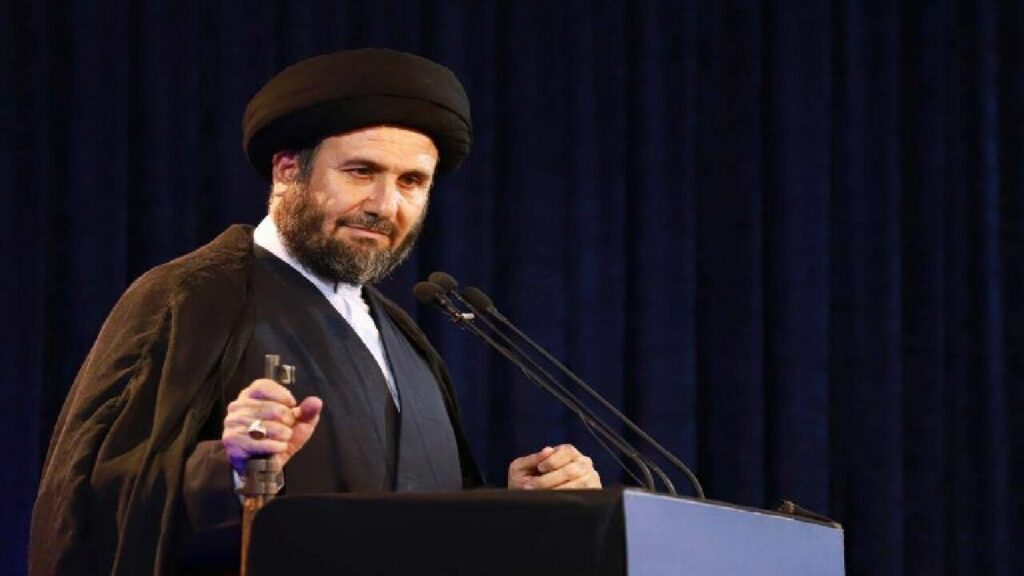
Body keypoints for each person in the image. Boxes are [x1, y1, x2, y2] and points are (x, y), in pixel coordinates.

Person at [29, 48, 600, 575]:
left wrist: (511, 504)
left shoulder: (404, 337)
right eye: (360, 172)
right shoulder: (192, 296)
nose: (385, 205)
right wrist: (229, 469)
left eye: (411, 182)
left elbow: (417, 522)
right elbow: (88, 506)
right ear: (287, 172)